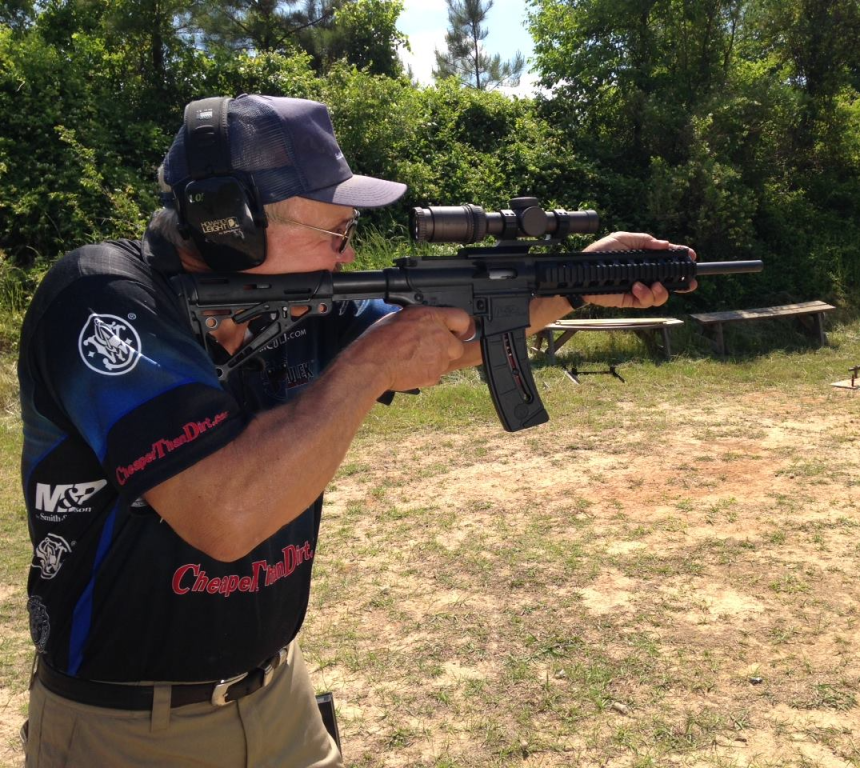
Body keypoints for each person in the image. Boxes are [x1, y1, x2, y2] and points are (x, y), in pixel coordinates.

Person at [18, 93, 695, 766]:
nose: (346, 256)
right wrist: (369, 364)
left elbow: (448, 345)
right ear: (231, 224)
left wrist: (577, 281)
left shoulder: (303, 304)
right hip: (127, 732)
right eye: (336, 233)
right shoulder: (102, 299)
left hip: (277, 697)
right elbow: (224, 514)